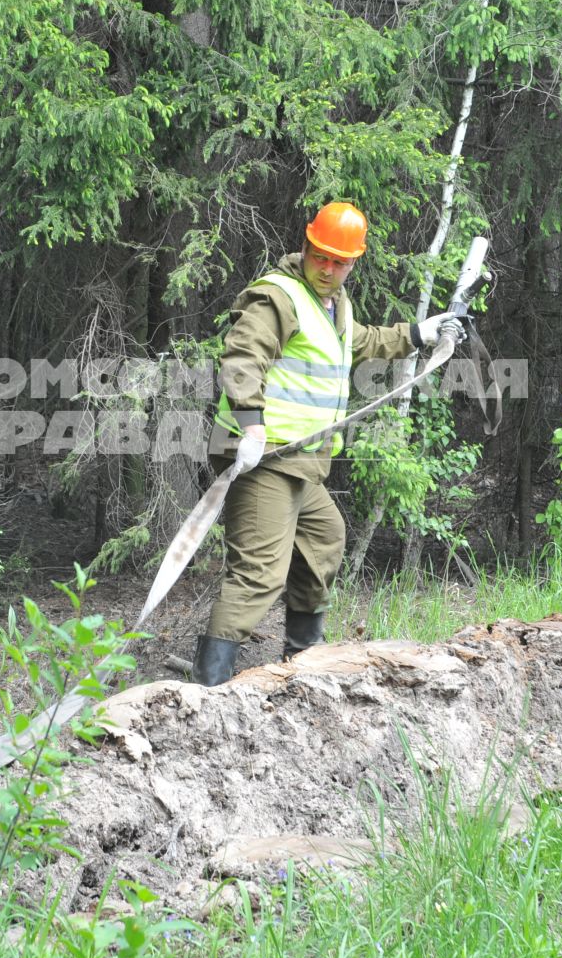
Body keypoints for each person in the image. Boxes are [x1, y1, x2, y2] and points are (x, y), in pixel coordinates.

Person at [190, 202, 465, 686]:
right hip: (265, 457)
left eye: (341, 262)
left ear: (353, 263)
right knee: (259, 574)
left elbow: (360, 342)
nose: (329, 268)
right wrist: (251, 425)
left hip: (303, 461)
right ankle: (209, 688)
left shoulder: (334, 305)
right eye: (323, 257)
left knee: (323, 541)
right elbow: (241, 358)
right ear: (307, 245)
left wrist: (418, 334)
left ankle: (302, 662)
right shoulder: (278, 298)